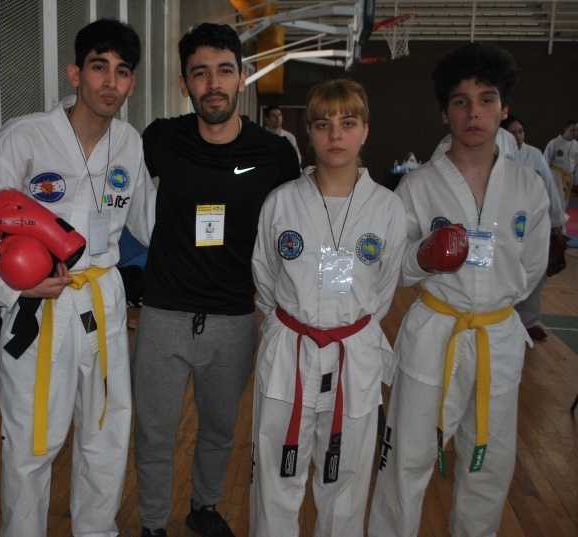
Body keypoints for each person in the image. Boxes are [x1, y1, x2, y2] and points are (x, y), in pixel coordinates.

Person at [0, 19, 155, 537]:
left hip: (104, 298)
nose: (110, 82)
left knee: (106, 431)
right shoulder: (27, 135)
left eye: (122, 72)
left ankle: (97, 530)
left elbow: (149, 224)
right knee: (30, 438)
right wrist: (10, 287)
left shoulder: (130, 144)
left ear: (132, 84)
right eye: (99, 68)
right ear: (75, 73)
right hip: (41, 303)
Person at [368, 42, 550, 537]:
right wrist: (423, 256)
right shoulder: (418, 185)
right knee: (407, 455)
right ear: (444, 112)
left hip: (497, 335)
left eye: (487, 100)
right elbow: (396, 269)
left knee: (489, 461)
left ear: (504, 109)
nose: (474, 113)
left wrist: (489, 299)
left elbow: (529, 269)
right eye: (461, 101)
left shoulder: (529, 187)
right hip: (434, 332)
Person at [131, 22, 300, 537]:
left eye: (224, 70)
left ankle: (204, 506)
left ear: (242, 77)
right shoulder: (160, 139)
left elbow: (288, 236)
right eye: (200, 73)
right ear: (184, 84)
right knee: (155, 433)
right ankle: (153, 523)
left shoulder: (275, 154)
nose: (213, 84)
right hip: (162, 314)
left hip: (232, 317)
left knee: (220, 430)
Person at [249, 79, 406, 536]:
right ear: (310, 132)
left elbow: (383, 289)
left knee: (346, 483)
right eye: (323, 124)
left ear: (365, 131)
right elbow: (264, 277)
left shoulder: (388, 209)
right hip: (289, 355)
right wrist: (293, 324)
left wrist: (344, 326)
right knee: (277, 479)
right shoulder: (281, 203)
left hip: (352, 356)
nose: (335, 135)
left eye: (348, 123)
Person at [502, 114, 569, 340]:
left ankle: (529, 321)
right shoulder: (496, 155)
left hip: (535, 222)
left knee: (536, 271)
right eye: (513, 133)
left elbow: (550, 189)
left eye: (521, 131)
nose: (518, 136)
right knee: (507, 270)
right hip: (505, 223)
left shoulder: (535, 155)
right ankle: (502, 317)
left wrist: (558, 223)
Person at [543, 119, 578, 210]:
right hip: (555, 176)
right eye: (572, 130)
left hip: (568, 177)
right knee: (555, 200)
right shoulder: (554, 143)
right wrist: (545, 178)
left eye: (577, 130)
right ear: (566, 129)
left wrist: (576, 180)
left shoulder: (576, 145)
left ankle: (561, 222)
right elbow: (545, 161)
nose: (575, 133)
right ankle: (553, 222)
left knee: (565, 200)